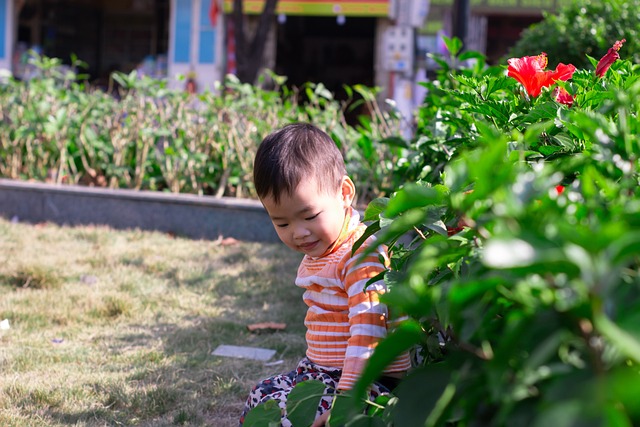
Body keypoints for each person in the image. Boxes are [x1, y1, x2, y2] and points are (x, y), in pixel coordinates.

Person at [239, 123, 411, 427]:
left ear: (344, 193)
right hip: (324, 372)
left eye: (309, 216)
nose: (299, 232)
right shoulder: (326, 249)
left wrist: (347, 400)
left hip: (368, 383)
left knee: (290, 417)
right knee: (260, 397)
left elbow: (368, 334)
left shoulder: (361, 253)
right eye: (282, 224)